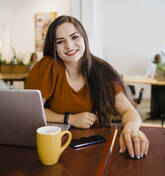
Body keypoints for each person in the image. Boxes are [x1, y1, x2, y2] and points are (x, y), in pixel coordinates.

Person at [26, 15, 149, 159]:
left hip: (91, 148)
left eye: (75, 37)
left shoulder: (102, 71)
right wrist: (69, 118)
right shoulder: (48, 67)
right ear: (53, 47)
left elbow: (129, 111)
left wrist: (131, 129)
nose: (69, 46)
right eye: (60, 41)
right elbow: (32, 112)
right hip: (53, 146)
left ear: (84, 38)